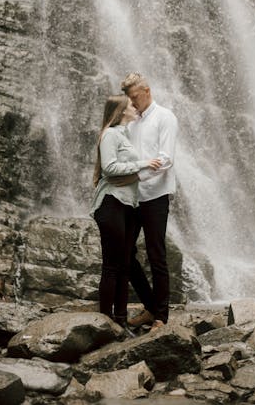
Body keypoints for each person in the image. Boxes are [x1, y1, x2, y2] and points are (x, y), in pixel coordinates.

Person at [92, 94, 162, 330]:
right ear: (122, 111)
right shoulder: (110, 135)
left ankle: (120, 320)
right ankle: (104, 319)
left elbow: (125, 170)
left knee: (123, 264)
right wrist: (143, 164)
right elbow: (110, 168)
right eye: (131, 104)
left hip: (127, 205)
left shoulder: (125, 134)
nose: (135, 106)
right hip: (111, 203)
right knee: (112, 265)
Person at [120, 72, 178, 331]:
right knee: (124, 254)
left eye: (134, 98)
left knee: (157, 256)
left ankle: (160, 317)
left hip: (155, 196)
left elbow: (166, 159)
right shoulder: (132, 124)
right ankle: (150, 305)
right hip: (133, 198)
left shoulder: (165, 117)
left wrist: (137, 174)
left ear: (147, 91)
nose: (132, 104)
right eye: (129, 99)